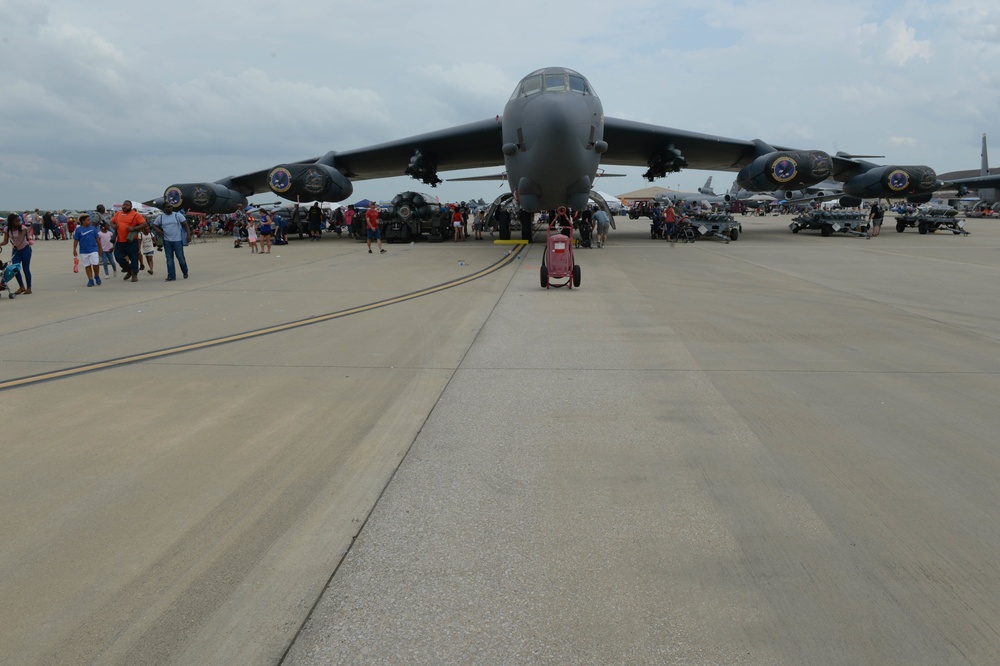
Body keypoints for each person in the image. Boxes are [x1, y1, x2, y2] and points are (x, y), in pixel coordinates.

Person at [151, 202, 190, 281]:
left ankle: (185, 271)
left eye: (171, 207)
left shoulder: (177, 215)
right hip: (167, 241)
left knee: (180, 257)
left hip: (177, 240)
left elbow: (185, 225)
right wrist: (158, 230)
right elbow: (153, 225)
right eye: (168, 207)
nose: (170, 208)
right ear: (164, 208)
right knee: (169, 259)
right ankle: (171, 276)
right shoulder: (161, 217)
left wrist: (188, 235)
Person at [112, 200, 147, 281]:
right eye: (124, 205)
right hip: (120, 241)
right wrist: (114, 226)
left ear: (131, 207)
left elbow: (144, 224)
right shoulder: (118, 214)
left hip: (131, 241)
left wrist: (134, 228)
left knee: (134, 257)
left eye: (127, 205)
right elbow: (112, 222)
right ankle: (129, 270)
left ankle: (134, 274)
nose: (125, 206)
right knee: (118, 256)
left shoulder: (135, 214)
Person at [1, 213, 32, 294]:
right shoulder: (7, 229)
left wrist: (16, 245)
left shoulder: (23, 228)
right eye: (17, 221)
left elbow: (21, 238)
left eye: (19, 220)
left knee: (26, 269)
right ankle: (21, 287)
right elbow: (5, 241)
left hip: (25, 249)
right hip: (16, 251)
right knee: (15, 269)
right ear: (11, 222)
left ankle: (29, 288)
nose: (19, 222)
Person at [72, 213, 103, 287]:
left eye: (89, 220)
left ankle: (97, 276)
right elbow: (76, 240)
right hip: (83, 251)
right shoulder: (79, 230)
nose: (89, 221)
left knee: (95, 264)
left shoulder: (92, 228)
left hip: (93, 249)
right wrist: (74, 250)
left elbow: (97, 239)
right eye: (88, 220)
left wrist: (100, 248)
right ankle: (90, 280)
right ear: (83, 221)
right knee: (87, 265)